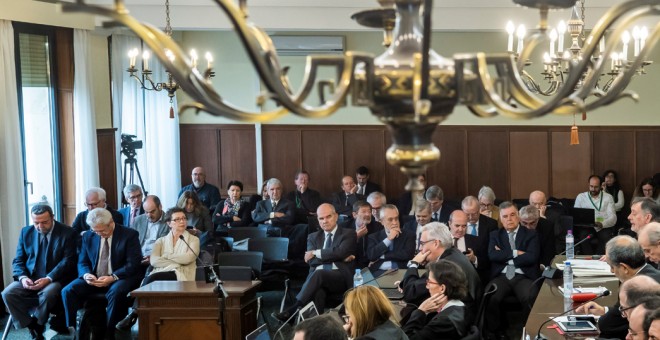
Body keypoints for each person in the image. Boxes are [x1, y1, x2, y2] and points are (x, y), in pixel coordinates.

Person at [61, 208, 143, 339]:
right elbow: (82, 261)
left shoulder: (129, 234)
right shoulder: (89, 235)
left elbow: (133, 263)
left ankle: (109, 332)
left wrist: (112, 277)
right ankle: (74, 331)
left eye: (102, 230)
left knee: (115, 292)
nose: (99, 234)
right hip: (94, 276)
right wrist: (86, 275)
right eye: (95, 230)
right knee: (67, 291)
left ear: (111, 222)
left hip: (119, 276)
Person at [116, 207, 200, 331]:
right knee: (153, 278)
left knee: (152, 278)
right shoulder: (160, 241)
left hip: (182, 273)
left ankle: (133, 313)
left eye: (183, 218)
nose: (182, 222)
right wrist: (176, 260)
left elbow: (189, 258)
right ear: (169, 223)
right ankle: (139, 316)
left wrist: (166, 256)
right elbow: (154, 261)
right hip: (163, 272)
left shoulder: (194, 240)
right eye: (177, 219)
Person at [2, 204, 76, 339]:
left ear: (52, 217)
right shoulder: (26, 232)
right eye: (36, 222)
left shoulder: (68, 233)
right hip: (31, 277)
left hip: (55, 278)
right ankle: (32, 325)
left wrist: (48, 278)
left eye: (44, 222)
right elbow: (18, 260)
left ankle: (39, 323)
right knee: (8, 293)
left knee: (47, 294)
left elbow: (68, 262)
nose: (40, 226)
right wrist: (23, 278)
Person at [272, 204, 356, 321]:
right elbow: (312, 261)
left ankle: (294, 308)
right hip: (318, 281)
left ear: (336, 216)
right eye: (321, 218)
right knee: (318, 292)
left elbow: (341, 252)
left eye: (328, 217)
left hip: (340, 278)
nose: (325, 221)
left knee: (319, 273)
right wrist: (338, 257)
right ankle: (317, 326)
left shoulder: (349, 233)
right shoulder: (313, 237)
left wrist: (316, 252)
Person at [575, 235, 660, 339]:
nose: (611, 271)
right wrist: (604, 310)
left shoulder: (637, 287)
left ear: (624, 267)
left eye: (612, 266)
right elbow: (619, 315)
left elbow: (609, 325)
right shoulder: (652, 273)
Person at [399, 222, 481, 325]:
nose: (420, 248)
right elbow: (416, 286)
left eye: (422, 243)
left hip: (456, 321)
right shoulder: (453, 253)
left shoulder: (446, 266)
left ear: (436, 243)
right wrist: (407, 283)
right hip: (462, 314)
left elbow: (411, 293)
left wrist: (414, 263)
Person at [485, 202, 540, 339]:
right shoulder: (495, 235)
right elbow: (492, 255)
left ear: (518, 216)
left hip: (523, 276)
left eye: (512, 215)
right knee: (490, 296)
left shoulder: (531, 234)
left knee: (530, 296)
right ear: (501, 219)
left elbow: (532, 257)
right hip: (502, 276)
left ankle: (527, 331)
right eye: (505, 216)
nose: (509, 219)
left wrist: (503, 254)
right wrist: (516, 252)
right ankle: (496, 332)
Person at [402, 260, 469, 339]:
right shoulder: (461, 307)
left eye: (429, 282)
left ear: (442, 288)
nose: (427, 286)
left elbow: (406, 338)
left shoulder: (443, 322)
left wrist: (421, 311)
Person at [342, 285, 408, 340]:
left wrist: (341, 335)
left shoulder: (368, 338)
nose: (348, 322)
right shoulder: (394, 328)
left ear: (360, 317)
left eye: (348, 317)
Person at [366, 205, 415, 276]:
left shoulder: (409, 235)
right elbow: (371, 255)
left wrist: (383, 256)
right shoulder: (373, 237)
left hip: (402, 271)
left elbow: (407, 255)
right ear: (382, 221)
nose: (395, 223)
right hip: (379, 272)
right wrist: (388, 239)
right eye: (390, 219)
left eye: (396, 219)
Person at [574, 175, 617, 254]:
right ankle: (589, 259)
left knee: (606, 237)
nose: (593, 189)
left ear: (601, 186)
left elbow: (613, 217)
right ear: (588, 184)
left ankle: (598, 259)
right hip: (587, 226)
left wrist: (602, 224)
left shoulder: (608, 197)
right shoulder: (581, 197)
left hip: (603, 225)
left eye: (596, 187)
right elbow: (576, 216)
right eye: (591, 186)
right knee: (583, 236)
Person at [461, 195, 498, 284]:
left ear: (479, 209)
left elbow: (492, 252)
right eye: (467, 214)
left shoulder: (491, 224)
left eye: (474, 214)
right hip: (462, 269)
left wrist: (475, 259)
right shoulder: (458, 224)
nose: (470, 217)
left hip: (483, 268)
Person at [340, 200, 383, 269]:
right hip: (352, 263)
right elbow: (342, 250)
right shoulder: (344, 227)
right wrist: (355, 237)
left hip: (371, 263)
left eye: (369, 211)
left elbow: (380, 247)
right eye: (364, 211)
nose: (368, 214)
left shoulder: (378, 227)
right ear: (354, 215)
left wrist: (376, 260)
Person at [131, 195, 170, 270]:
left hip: (157, 261)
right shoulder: (138, 220)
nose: (149, 215)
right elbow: (131, 242)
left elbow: (169, 248)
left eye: (152, 211)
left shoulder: (169, 221)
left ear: (160, 207)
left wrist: (153, 258)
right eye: (146, 212)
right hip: (138, 260)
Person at [448, 210, 486, 278]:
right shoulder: (441, 240)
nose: (460, 229)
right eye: (457, 226)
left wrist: (474, 259)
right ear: (449, 224)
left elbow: (486, 264)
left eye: (464, 226)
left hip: (468, 278)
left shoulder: (477, 241)